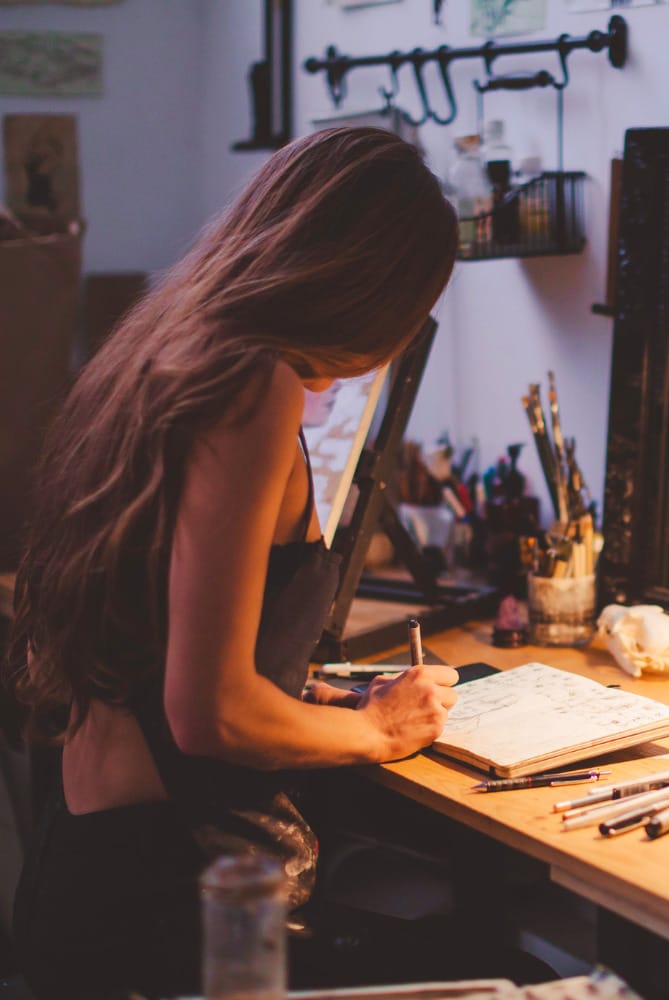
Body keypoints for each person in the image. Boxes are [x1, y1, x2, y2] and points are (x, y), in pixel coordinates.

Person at [4, 126, 466, 1000]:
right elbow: (208, 715)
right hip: (168, 903)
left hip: (86, 876)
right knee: (514, 968)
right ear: (373, 295)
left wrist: (317, 697)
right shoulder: (255, 386)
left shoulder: (158, 349)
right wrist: (380, 729)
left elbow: (162, 643)